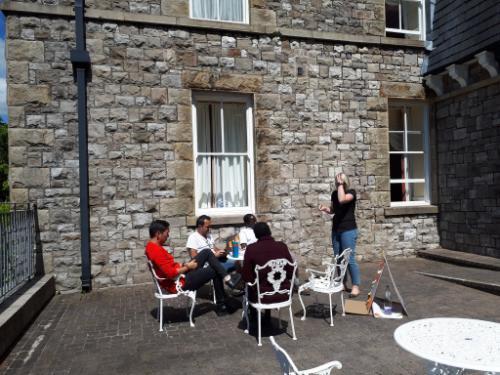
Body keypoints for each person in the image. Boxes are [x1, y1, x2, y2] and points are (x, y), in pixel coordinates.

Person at [145, 219, 232, 316]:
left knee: (206, 252)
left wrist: (184, 266)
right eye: (167, 233)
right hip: (179, 282)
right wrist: (187, 266)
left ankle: (225, 277)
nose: (168, 236)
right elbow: (170, 273)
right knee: (214, 270)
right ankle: (221, 304)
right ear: (158, 234)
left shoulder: (151, 246)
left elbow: (169, 267)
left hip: (180, 275)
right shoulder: (155, 250)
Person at [319, 172, 361, 297]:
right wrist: (326, 209)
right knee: (338, 258)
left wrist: (340, 186)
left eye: (340, 181)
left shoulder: (351, 192)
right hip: (336, 229)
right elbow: (334, 209)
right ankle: (342, 283)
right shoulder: (334, 194)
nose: (338, 182)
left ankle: (355, 286)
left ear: (345, 182)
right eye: (337, 181)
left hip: (348, 229)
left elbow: (342, 200)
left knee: (349, 258)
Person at [242, 222, 295, 305]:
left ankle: (253, 315)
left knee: (250, 285)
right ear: (269, 232)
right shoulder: (282, 246)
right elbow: (291, 271)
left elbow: (247, 276)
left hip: (262, 296)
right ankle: (265, 315)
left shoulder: (251, 249)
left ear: (256, 235)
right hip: (284, 293)